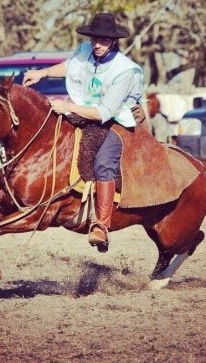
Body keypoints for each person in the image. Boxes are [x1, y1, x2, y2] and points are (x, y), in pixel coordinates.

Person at [22, 12, 144, 251]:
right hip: (86, 112)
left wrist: (67, 107)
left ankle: (102, 225)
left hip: (119, 120)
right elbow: (69, 66)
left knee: (103, 162)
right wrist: (41, 73)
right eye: (94, 39)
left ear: (114, 42)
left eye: (103, 41)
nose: (97, 45)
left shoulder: (126, 71)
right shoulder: (85, 51)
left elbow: (105, 112)